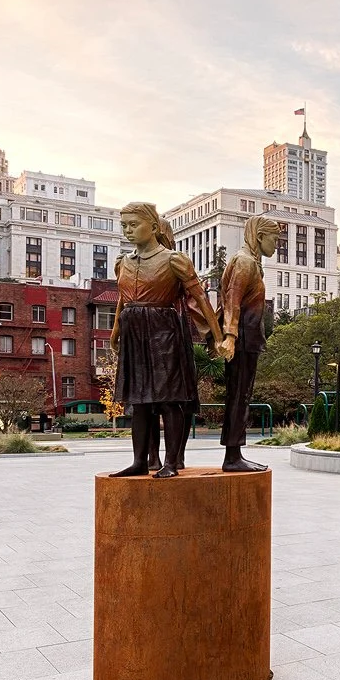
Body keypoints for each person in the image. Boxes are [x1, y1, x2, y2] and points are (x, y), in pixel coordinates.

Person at [109, 201, 223, 477]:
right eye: (124, 225)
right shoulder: (122, 263)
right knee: (139, 401)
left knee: (169, 399)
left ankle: (171, 462)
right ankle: (139, 462)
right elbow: (123, 301)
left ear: (155, 226)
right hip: (134, 333)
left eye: (134, 225)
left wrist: (218, 337)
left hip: (164, 331)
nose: (128, 230)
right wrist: (115, 332)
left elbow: (201, 299)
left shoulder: (174, 260)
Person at [217, 215, 278, 472]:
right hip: (242, 339)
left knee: (241, 395)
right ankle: (232, 457)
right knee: (239, 395)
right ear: (259, 236)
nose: (277, 245)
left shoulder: (250, 262)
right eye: (274, 239)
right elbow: (232, 301)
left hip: (246, 338)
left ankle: (235, 453)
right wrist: (230, 338)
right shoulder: (244, 262)